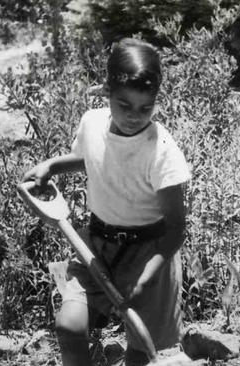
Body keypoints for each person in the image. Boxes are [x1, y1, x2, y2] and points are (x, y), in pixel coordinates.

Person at [22, 38, 191, 366]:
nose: (134, 117)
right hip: (97, 248)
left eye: (145, 108)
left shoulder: (162, 152)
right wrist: (54, 165)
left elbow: (176, 230)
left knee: (140, 353)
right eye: (124, 105)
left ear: (157, 101)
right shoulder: (92, 122)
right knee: (69, 327)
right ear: (107, 93)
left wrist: (145, 277)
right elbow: (89, 158)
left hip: (150, 254)